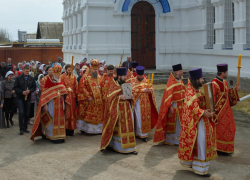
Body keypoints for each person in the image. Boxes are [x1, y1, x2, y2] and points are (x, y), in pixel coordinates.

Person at [178, 68, 217, 177]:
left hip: (200, 121)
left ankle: (198, 165)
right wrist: (203, 112)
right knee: (201, 142)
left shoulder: (196, 89)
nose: (202, 80)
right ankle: (200, 168)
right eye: (201, 79)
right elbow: (193, 108)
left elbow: (201, 102)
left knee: (200, 142)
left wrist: (208, 105)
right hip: (196, 122)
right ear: (196, 79)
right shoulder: (190, 92)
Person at [101, 67, 137, 155]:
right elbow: (109, 99)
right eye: (123, 76)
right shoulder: (114, 85)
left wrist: (132, 96)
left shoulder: (127, 84)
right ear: (119, 76)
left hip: (127, 108)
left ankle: (131, 147)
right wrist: (119, 98)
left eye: (125, 76)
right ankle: (118, 147)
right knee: (121, 128)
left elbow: (131, 95)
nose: (125, 78)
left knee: (129, 127)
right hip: (118, 110)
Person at [30, 65, 68, 143]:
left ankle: (60, 136)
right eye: (56, 74)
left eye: (59, 74)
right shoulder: (46, 80)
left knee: (60, 120)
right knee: (51, 119)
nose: (58, 76)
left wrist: (64, 104)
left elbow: (63, 92)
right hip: (51, 104)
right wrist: (45, 105)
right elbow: (44, 94)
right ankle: (50, 135)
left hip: (60, 104)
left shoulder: (60, 80)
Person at [153, 64, 186, 145]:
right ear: (176, 72)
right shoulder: (171, 82)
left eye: (182, 71)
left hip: (180, 105)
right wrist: (170, 106)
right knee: (174, 123)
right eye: (180, 71)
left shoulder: (180, 80)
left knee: (179, 124)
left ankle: (178, 139)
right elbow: (168, 96)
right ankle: (171, 140)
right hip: (174, 106)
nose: (182, 73)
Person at [212, 64, 239, 154]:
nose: (227, 74)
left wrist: (235, 90)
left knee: (232, 128)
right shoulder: (214, 83)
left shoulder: (225, 82)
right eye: (226, 72)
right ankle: (219, 148)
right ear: (222, 73)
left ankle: (227, 148)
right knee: (220, 130)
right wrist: (213, 112)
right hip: (219, 113)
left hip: (227, 112)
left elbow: (227, 95)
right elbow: (212, 99)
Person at [132, 66, 158, 142]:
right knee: (138, 118)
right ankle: (138, 133)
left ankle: (144, 135)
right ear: (137, 74)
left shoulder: (146, 80)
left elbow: (151, 88)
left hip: (146, 103)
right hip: (138, 103)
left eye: (142, 75)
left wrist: (150, 90)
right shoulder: (133, 81)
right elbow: (133, 90)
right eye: (139, 75)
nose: (141, 77)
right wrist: (143, 90)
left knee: (146, 118)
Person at [77, 59, 103, 134]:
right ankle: (88, 129)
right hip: (89, 99)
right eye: (93, 69)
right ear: (90, 68)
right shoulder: (85, 77)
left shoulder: (99, 77)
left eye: (96, 69)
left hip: (98, 100)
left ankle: (98, 130)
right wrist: (88, 96)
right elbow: (82, 87)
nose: (95, 71)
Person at [13, 65, 36, 135]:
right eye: (26, 71)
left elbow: (34, 87)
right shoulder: (18, 78)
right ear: (23, 70)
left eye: (28, 71)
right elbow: (15, 88)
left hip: (28, 98)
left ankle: (25, 127)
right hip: (20, 98)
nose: (27, 72)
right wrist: (22, 92)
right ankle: (21, 129)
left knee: (27, 113)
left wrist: (29, 91)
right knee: (21, 112)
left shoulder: (32, 78)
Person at [61, 64, 78, 136]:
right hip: (65, 97)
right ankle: (66, 129)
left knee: (72, 113)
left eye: (71, 70)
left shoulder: (74, 77)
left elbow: (76, 87)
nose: (69, 71)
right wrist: (66, 89)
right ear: (65, 70)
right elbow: (60, 86)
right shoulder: (62, 77)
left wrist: (76, 95)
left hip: (73, 98)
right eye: (68, 70)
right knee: (66, 113)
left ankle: (72, 130)